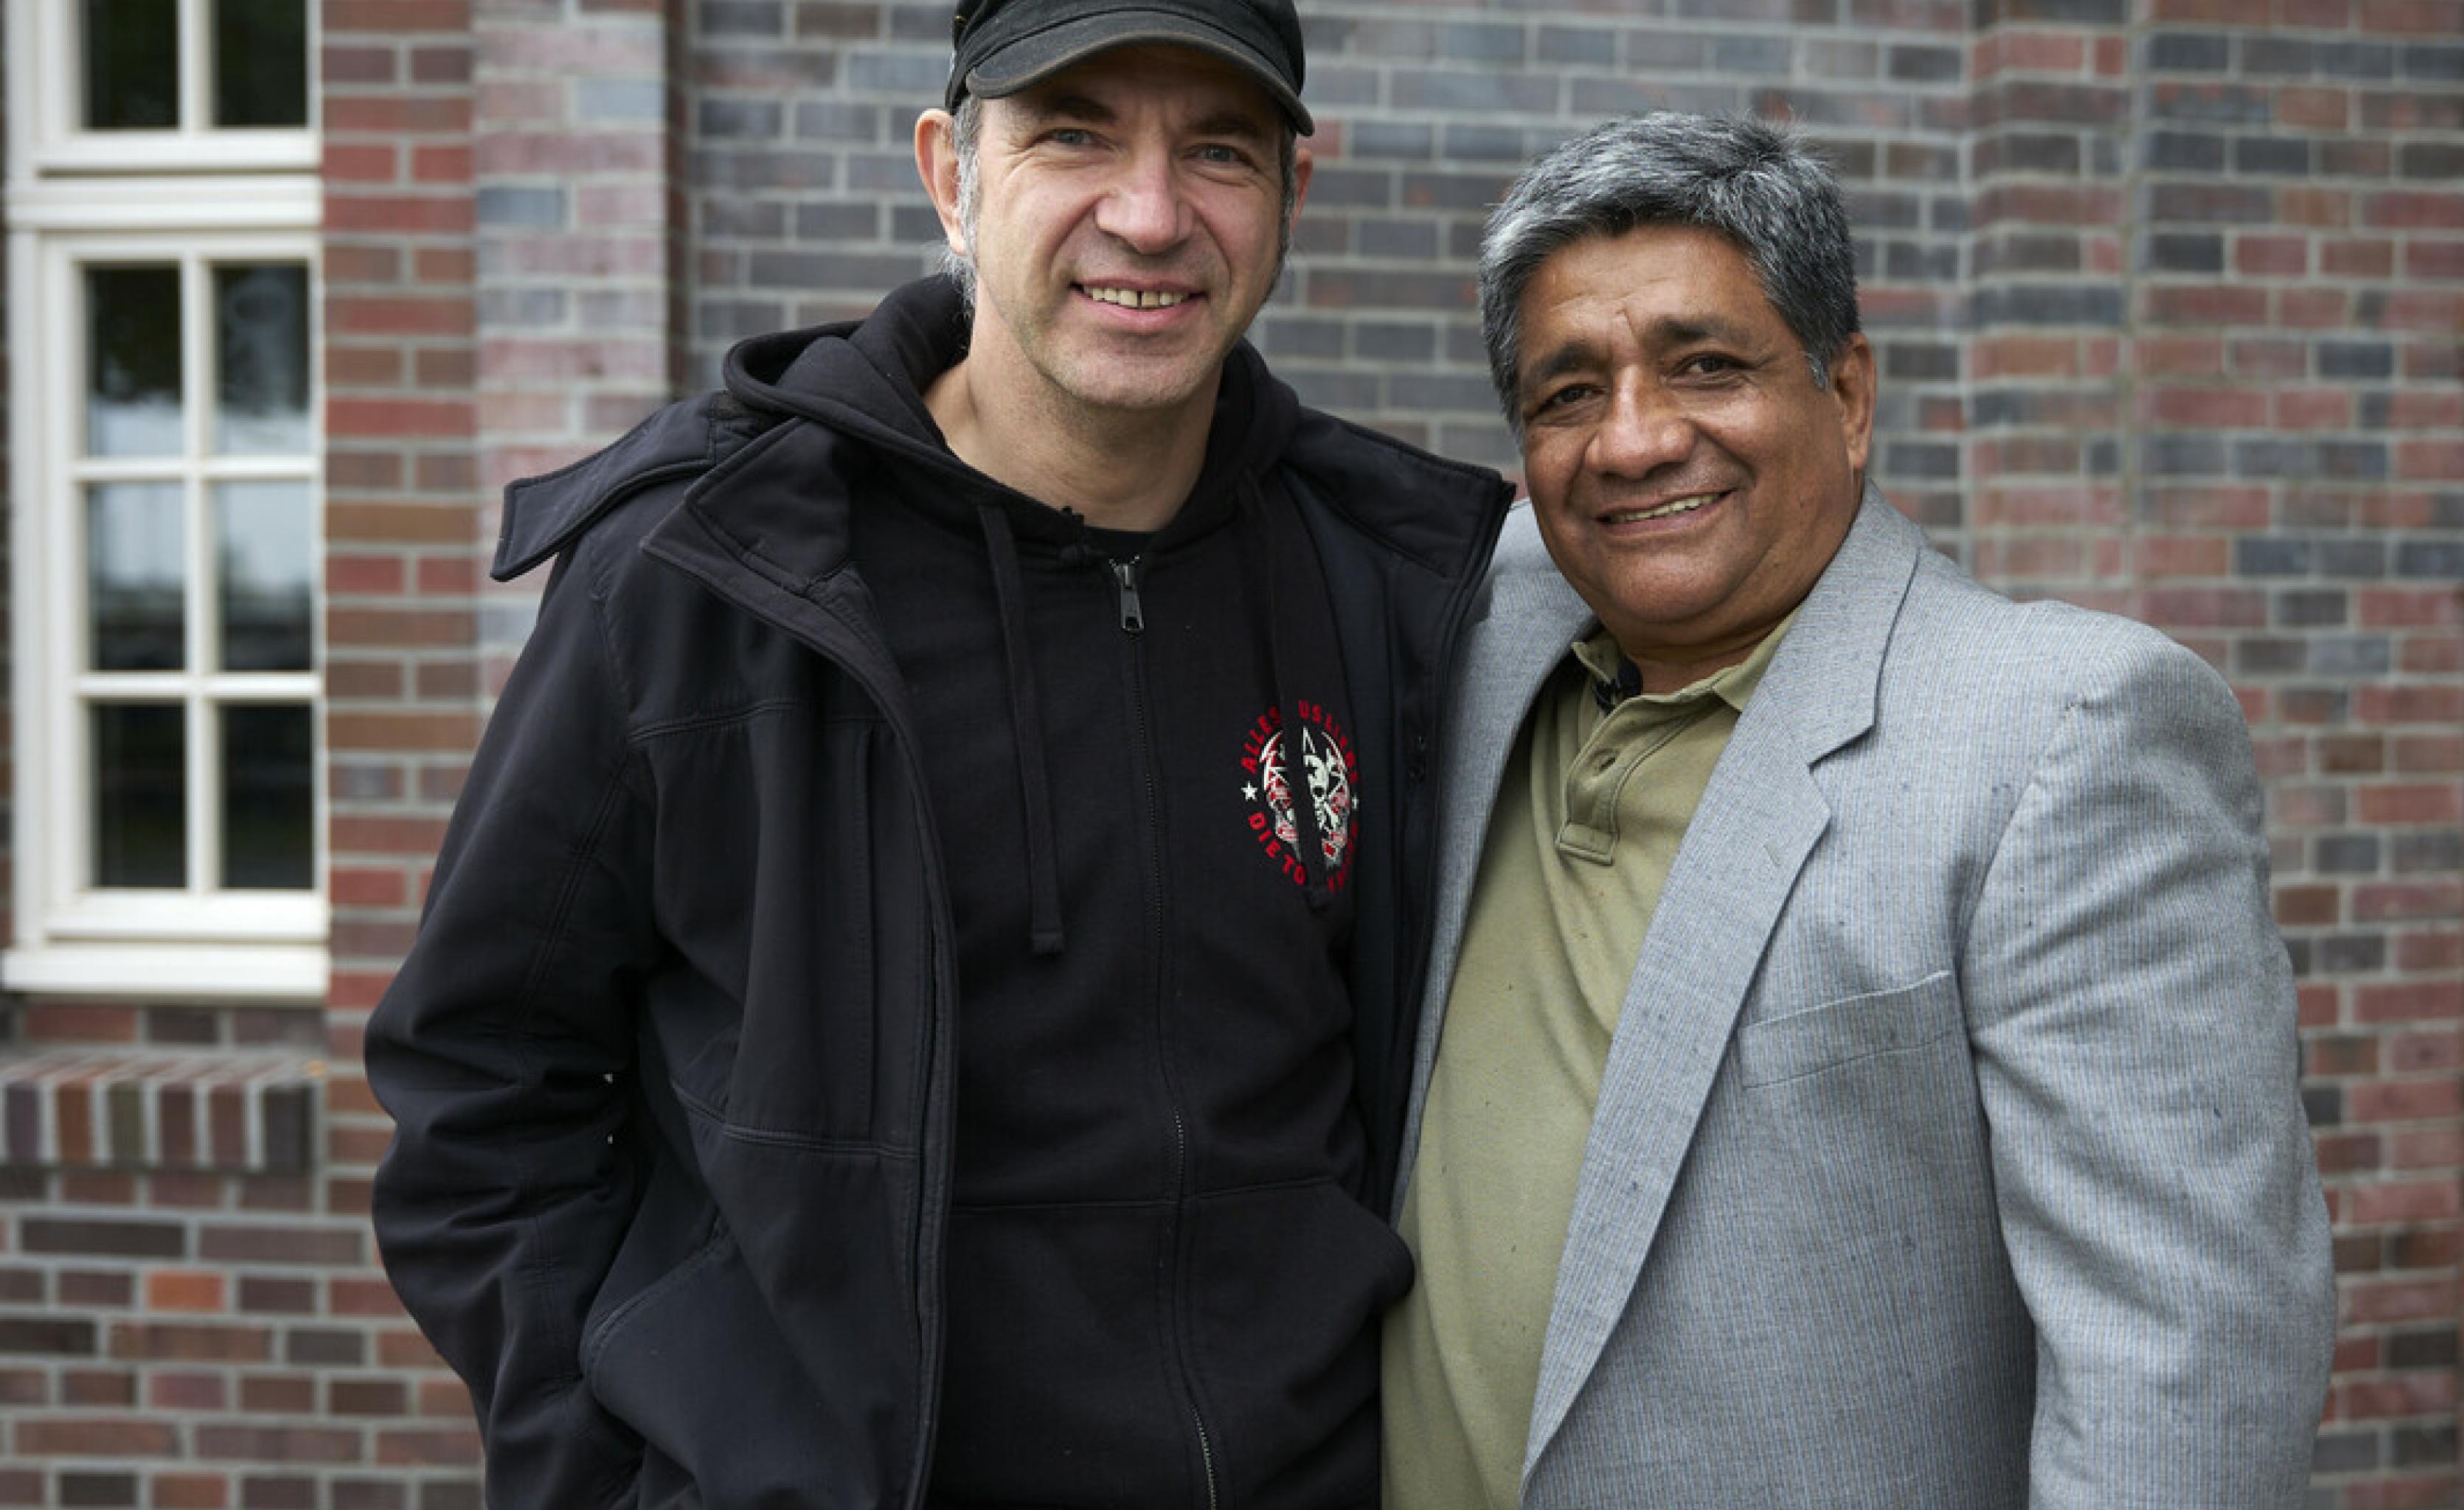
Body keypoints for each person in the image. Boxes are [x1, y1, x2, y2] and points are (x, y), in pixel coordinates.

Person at [364, 0, 1512, 1502]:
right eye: (1073, 134)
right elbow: (479, 1081)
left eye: (1216, 148)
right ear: (950, 176)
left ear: (1293, 194)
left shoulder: (1392, 582)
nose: (1150, 213)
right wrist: (611, 1469)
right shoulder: (713, 580)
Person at [1381, 113, 2334, 1509]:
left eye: (1708, 365)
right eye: (1568, 392)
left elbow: (2182, 1366)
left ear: (1847, 392)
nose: (1634, 440)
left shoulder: (2063, 735)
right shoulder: (1485, 640)